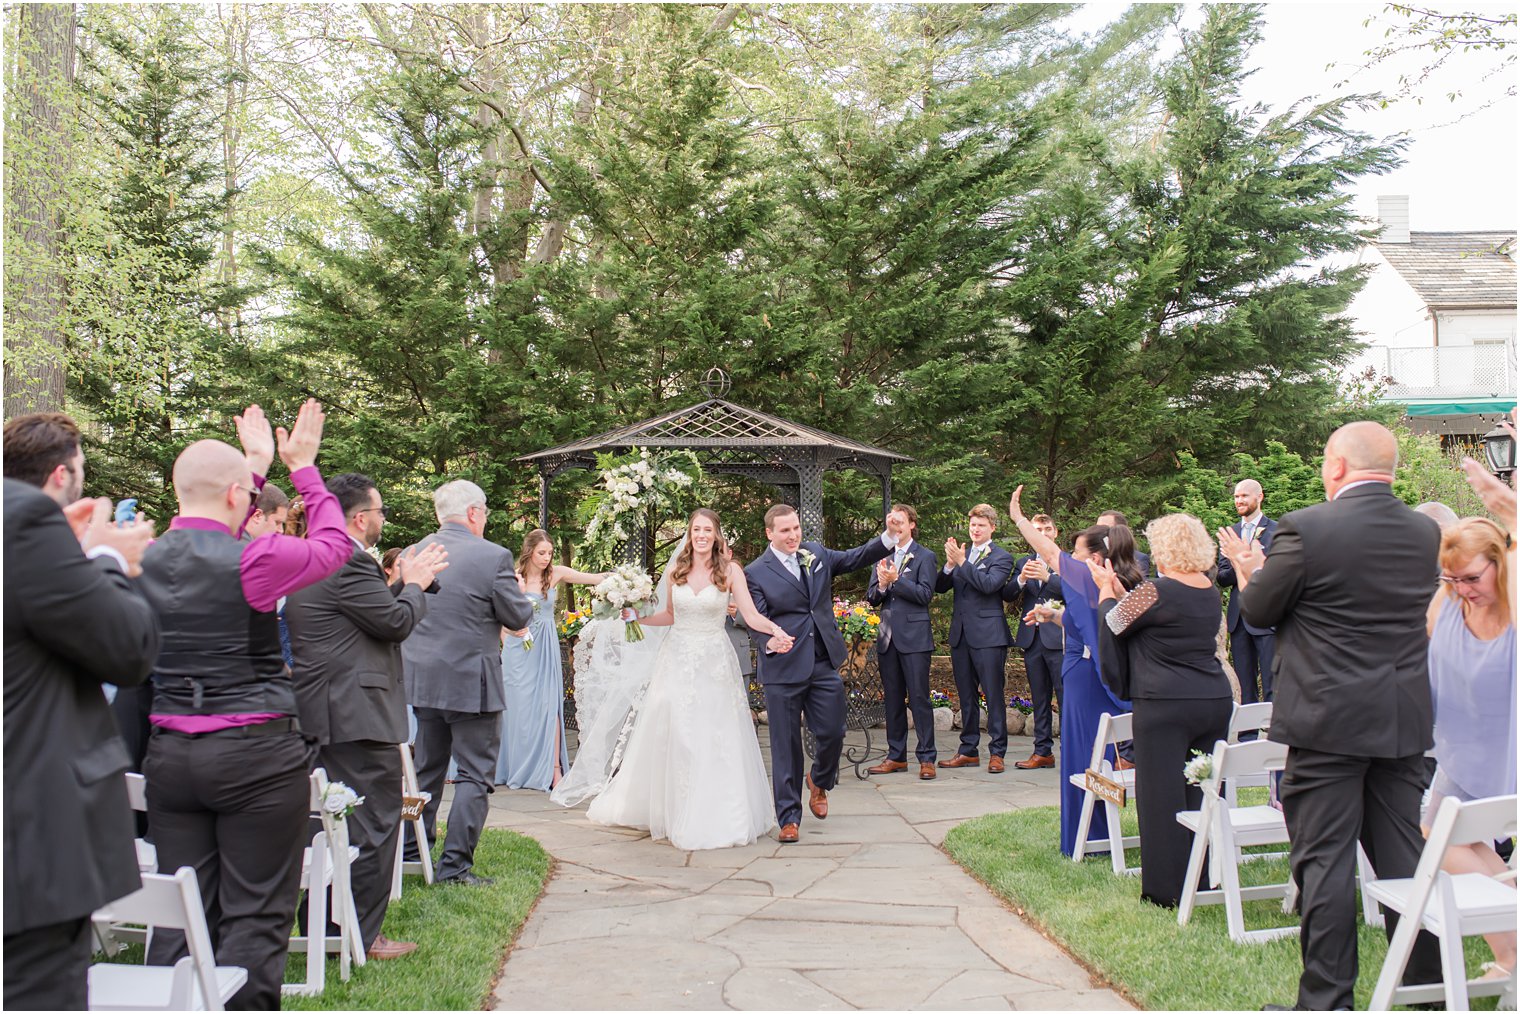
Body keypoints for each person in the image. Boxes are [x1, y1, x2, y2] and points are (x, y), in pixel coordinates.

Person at [1219, 420, 1443, 1012]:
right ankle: (1425, 995)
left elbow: (1261, 609)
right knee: (1404, 860)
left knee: (1324, 862)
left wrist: (1251, 567)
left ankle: (1326, 1003)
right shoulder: (1424, 532)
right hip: (1401, 719)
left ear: (1337, 465)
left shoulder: (1308, 528)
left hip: (1326, 721)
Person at [138, 401, 353, 1010]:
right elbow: (334, 545)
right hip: (254, 756)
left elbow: (210, 530)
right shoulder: (255, 560)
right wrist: (304, 471)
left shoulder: (144, 557)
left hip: (171, 755)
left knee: (182, 910)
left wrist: (253, 469)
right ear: (240, 497)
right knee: (255, 913)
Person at [2, 413, 161, 1010]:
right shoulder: (26, 519)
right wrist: (108, 561)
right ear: (63, 473)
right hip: (29, 824)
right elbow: (128, 650)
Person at [284, 473, 449, 960]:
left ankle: (328, 928)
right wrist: (415, 585)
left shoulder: (314, 556)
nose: (382, 519)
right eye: (379, 512)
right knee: (374, 825)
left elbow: (364, 617)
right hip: (358, 712)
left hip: (322, 708)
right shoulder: (350, 561)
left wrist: (402, 582)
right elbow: (394, 623)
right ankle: (361, 934)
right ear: (360, 518)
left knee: (330, 825)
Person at [586, 509, 792, 849]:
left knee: (712, 732)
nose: (701, 535)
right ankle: (672, 808)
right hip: (676, 658)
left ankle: (712, 811)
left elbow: (752, 614)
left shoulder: (730, 571)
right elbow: (668, 615)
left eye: (707, 529)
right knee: (676, 729)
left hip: (714, 662)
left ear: (716, 534)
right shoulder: (677, 571)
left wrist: (775, 630)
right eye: (696, 529)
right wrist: (635, 616)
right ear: (689, 533)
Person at [1094, 514, 1233, 908]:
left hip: (1165, 703)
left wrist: (1106, 590)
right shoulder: (1208, 587)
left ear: (1166, 549)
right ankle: (1201, 875)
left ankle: (1166, 889)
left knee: (1160, 796)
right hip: (1212, 700)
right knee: (1198, 789)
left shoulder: (1155, 590)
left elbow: (1116, 621)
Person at [403, 479, 534, 885]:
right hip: (471, 684)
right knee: (475, 775)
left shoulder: (413, 552)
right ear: (474, 513)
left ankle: (413, 849)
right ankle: (454, 866)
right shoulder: (493, 556)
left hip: (423, 680)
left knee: (425, 770)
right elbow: (517, 618)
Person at [744, 504, 896, 843]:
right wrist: (770, 642)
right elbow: (754, 617)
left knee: (833, 730)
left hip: (823, 662)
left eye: (795, 528)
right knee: (785, 745)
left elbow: (856, 557)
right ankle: (788, 818)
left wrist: (889, 536)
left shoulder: (814, 553)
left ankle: (820, 779)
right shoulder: (755, 572)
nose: (793, 535)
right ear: (769, 533)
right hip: (782, 667)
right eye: (785, 531)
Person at [1010, 486, 1141, 858]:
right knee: (1100, 752)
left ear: (1096, 557)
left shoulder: (1087, 574)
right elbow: (1092, 622)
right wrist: (1053, 615)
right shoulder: (1126, 581)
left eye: (1079, 551)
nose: (1073, 556)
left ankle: (1090, 838)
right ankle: (1100, 833)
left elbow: (1049, 551)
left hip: (1084, 678)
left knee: (1086, 754)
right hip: (1105, 674)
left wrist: (1018, 516)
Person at [1424, 517, 1516, 980]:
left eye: (1473, 578)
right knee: (1444, 836)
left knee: (1447, 835)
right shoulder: (1451, 602)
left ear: (1501, 564)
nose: (1463, 588)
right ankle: (1510, 953)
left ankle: (1510, 952)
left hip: (1508, 748)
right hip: (1459, 748)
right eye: (1451, 579)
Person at [497, 529, 608, 791]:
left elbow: (593, 578)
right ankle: (515, 766)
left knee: (549, 706)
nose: (546, 558)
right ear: (529, 551)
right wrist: (510, 636)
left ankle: (554, 769)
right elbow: (500, 619)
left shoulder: (555, 573)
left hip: (544, 647)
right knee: (517, 709)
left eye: (549, 553)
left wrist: (620, 580)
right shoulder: (514, 578)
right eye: (541, 553)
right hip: (517, 650)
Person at [936, 504, 1015, 772]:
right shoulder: (963, 554)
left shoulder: (1002, 557)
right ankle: (968, 749)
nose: (975, 529)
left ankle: (997, 752)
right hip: (960, 635)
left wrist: (961, 562)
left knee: (993, 695)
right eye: (972, 525)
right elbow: (940, 587)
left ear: (992, 527)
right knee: (966, 696)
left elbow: (989, 585)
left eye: (981, 525)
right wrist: (949, 565)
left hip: (989, 636)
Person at [865, 504, 940, 780]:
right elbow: (872, 596)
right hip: (887, 638)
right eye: (892, 521)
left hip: (915, 638)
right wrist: (883, 585)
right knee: (892, 700)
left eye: (900, 521)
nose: (895, 525)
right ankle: (896, 756)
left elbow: (924, 595)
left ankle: (927, 757)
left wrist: (897, 580)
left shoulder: (925, 556)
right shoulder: (881, 557)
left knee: (919, 698)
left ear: (911, 525)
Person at [1005, 512, 1064, 770]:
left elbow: (1076, 590)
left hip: (1059, 638)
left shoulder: (1066, 561)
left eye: (1046, 529)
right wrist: (1021, 579)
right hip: (1031, 638)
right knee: (1039, 698)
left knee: (1066, 698)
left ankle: (1072, 750)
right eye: (1036, 529)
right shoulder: (1023, 561)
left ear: (1055, 533)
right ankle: (1042, 752)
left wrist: (1047, 577)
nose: (1041, 533)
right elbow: (1007, 593)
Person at [1215, 479, 1277, 705]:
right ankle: (1247, 735)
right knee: (1244, 683)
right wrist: (1236, 560)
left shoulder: (1276, 530)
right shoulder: (1231, 533)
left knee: (1272, 680)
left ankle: (1273, 733)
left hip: (1267, 616)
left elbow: (1277, 572)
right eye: (1236, 497)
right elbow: (1223, 577)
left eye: (1244, 496)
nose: (1239, 501)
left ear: (1259, 497)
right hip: (1239, 618)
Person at [1098, 509, 1152, 576]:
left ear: (1120, 530)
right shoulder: (1094, 556)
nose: (1099, 531)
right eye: (1097, 527)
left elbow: (1141, 584)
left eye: (1104, 528)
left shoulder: (1138, 558)